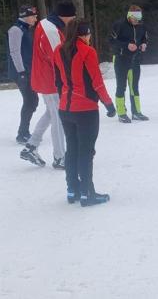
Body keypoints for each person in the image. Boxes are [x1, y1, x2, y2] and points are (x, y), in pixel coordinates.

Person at [53, 19, 117, 206]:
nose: (90, 37)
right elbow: (97, 82)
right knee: (86, 152)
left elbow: (58, 81)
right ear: (83, 34)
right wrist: (109, 105)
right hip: (85, 109)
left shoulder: (58, 50)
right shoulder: (87, 51)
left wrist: (64, 101)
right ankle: (88, 193)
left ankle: (72, 189)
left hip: (65, 108)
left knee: (72, 149)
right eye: (89, 34)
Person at [21, 1, 75, 168]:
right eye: (71, 17)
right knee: (58, 115)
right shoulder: (51, 29)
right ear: (64, 16)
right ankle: (59, 157)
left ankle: (31, 146)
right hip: (50, 80)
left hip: (47, 78)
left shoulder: (50, 24)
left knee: (52, 113)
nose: (72, 20)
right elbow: (58, 58)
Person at [110, 5, 149, 123]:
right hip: (120, 58)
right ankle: (121, 113)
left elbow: (144, 38)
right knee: (121, 87)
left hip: (135, 60)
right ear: (129, 15)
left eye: (139, 19)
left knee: (134, 87)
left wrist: (144, 44)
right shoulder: (119, 25)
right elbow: (111, 40)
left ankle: (136, 112)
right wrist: (126, 45)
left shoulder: (142, 26)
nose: (137, 21)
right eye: (135, 18)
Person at [7, 4, 39, 145]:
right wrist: (21, 72)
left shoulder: (25, 29)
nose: (36, 18)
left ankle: (24, 132)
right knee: (30, 101)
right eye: (33, 16)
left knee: (32, 101)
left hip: (27, 71)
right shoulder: (16, 30)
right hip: (21, 72)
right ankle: (22, 133)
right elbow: (14, 52)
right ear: (25, 17)